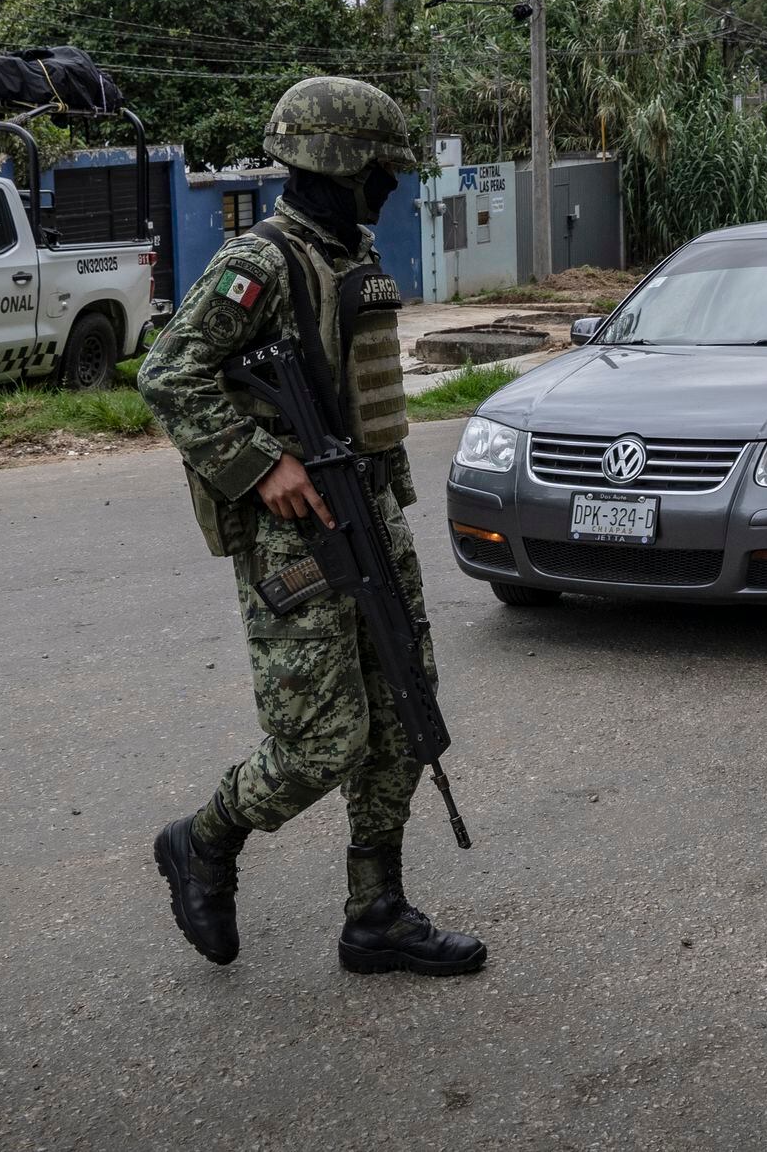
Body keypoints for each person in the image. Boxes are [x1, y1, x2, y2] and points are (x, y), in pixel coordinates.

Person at [136, 75, 485, 978]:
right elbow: (170, 374)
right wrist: (263, 465)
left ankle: (376, 913)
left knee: (406, 712)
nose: (390, 185)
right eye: (379, 169)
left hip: (371, 507)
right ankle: (203, 840)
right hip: (298, 531)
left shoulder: (347, 255)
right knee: (322, 742)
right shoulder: (261, 264)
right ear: (338, 165)